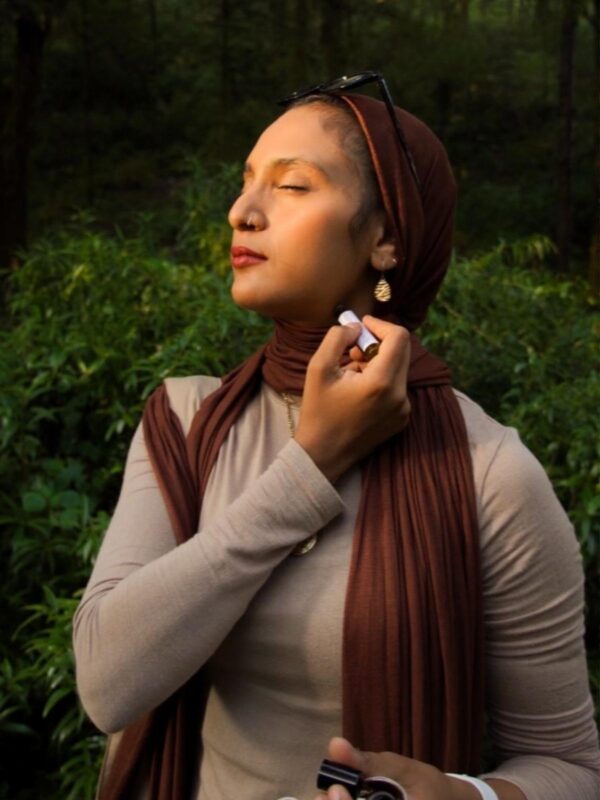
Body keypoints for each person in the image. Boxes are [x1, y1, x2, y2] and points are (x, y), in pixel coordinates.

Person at [72, 73, 600, 800]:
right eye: (246, 182)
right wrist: (311, 465)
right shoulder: (184, 421)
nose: (241, 212)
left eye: (291, 186)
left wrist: (464, 795)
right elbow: (106, 686)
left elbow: (571, 767)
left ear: (384, 239)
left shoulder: (488, 471)